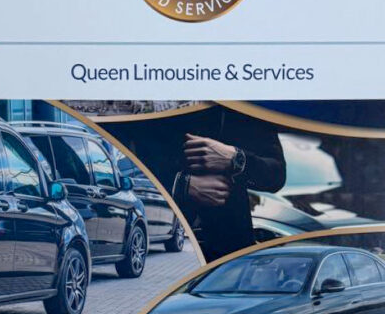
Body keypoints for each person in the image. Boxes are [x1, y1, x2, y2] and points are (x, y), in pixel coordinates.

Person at [107, 106, 287, 261]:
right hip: (161, 248)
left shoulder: (241, 99)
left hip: (228, 250)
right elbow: (112, 159)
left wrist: (236, 159)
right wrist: (180, 185)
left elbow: (276, 175)